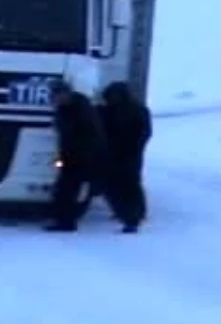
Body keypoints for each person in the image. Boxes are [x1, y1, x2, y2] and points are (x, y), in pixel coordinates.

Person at [46, 79, 105, 232]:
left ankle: (65, 222)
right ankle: (63, 220)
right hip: (71, 156)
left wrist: (83, 156)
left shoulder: (79, 110)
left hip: (79, 157)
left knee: (67, 190)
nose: (54, 99)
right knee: (65, 189)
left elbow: (86, 135)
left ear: (65, 93)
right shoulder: (68, 108)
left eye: (57, 95)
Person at [98, 81, 152, 233]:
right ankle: (131, 213)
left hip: (127, 153)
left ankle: (133, 215)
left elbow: (144, 132)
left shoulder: (134, 110)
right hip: (122, 153)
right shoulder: (134, 109)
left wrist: (134, 147)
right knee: (126, 184)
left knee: (127, 184)